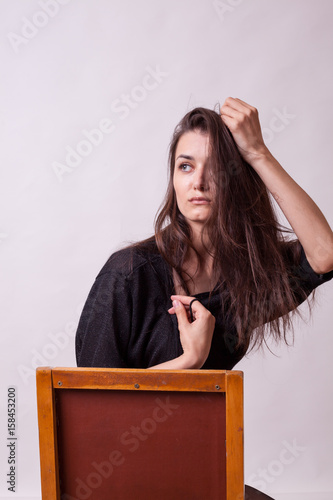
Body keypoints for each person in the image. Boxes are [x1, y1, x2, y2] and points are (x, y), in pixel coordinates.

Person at [75, 97, 333, 499]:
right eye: (185, 166)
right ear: (173, 180)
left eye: (215, 168)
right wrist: (188, 363)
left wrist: (259, 153)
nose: (199, 182)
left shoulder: (251, 279)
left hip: (188, 472)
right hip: (114, 482)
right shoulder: (127, 274)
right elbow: (92, 419)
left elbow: (324, 256)